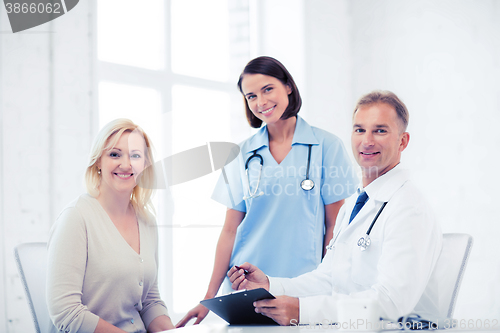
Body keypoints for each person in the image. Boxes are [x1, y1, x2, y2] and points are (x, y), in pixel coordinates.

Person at [227, 90, 443, 325]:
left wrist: (302, 311)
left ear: (403, 141)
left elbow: (390, 303)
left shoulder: (409, 208)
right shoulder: (354, 204)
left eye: (380, 130)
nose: (367, 141)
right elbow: (329, 279)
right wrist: (270, 284)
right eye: (359, 130)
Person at [177, 56, 358, 327]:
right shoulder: (242, 154)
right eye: (251, 96)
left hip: (303, 289)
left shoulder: (327, 146)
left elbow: (334, 226)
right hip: (245, 288)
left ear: (287, 86)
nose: (260, 102)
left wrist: (328, 283)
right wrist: (209, 298)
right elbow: (229, 231)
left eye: (267, 89)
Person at [46, 119, 174, 333]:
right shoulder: (76, 217)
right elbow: (65, 312)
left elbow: (150, 302)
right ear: (98, 162)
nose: (126, 164)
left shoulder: (147, 220)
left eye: (135, 155)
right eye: (115, 154)